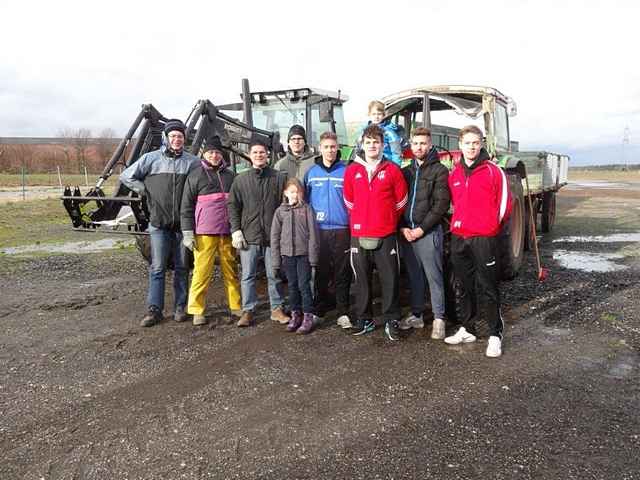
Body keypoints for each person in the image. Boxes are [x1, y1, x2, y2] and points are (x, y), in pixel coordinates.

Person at [120, 119, 199, 327]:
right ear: (166, 137)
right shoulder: (151, 159)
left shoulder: (192, 162)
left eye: (180, 136)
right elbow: (126, 176)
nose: (176, 139)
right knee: (157, 267)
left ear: (184, 139)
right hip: (158, 223)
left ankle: (180, 307)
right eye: (173, 136)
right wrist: (144, 190)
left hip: (183, 224)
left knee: (182, 267)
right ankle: (154, 310)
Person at [444, 125, 512, 357]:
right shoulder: (454, 174)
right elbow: (455, 204)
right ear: (460, 145)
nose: (472, 147)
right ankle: (467, 327)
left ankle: (495, 334)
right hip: (460, 237)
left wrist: (490, 227)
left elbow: (505, 205)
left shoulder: (493, 171)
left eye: (476, 142)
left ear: (481, 144)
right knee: (463, 285)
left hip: (484, 238)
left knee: (488, 286)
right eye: (467, 143)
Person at [343, 124, 408, 341]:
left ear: (383, 145)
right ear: (362, 144)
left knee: (389, 278)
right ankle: (365, 319)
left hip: (386, 234)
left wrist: (386, 219)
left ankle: (391, 319)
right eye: (368, 142)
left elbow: (401, 202)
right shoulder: (352, 170)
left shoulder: (392, 170)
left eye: (376, 142)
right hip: (359, 234)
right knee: (361, 279)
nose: (372, 146)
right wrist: (363, 220)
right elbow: (349, 201)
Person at [227, 140, 289, 327]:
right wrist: (236, 230)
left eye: (262, 152)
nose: (259, 155)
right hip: (249, 236)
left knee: (274, 273)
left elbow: (285, 205)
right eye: (255, 152)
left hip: (272, 236)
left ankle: (277, 308)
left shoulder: (278, 178)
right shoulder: (240, 180)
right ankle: (248, 310)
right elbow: (233, 206)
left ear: (267, 155)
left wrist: (283, 230)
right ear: (250, 155)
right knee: (248, 275)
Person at [180, 136, 241, 326]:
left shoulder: (231, 176)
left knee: (231, 271)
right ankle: (197, 310)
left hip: (227, 232)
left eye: (217, 152)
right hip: (204, 233)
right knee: (201, 272)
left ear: (222, 154)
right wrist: (187, 232)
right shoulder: (195, 175)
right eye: (210, 152)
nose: (214, 155)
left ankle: (236, 305)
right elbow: (186, 207)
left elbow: (238, 204)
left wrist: (238, 230)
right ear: (204, 154)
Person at [398, 127, 450, 339]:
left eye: (423, 143)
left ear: (430, 145)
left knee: (433, 276)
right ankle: (417, 315)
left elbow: (441, 205)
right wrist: (403, 227)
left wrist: (421, 229)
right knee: (414, 276)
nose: (419, 147)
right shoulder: (406, 171)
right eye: (416, 143)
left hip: (427, 232)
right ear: (411, 146)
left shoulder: (439, 171)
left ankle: (439, 318)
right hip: (407, 233)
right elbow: (399, 202)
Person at [303, 131, 352, 327]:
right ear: (320, 148)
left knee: (342, 272)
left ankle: (343, 312)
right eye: (326, 147)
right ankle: (319, 310)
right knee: (321, 272)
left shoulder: (346, 171)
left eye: (333, 147)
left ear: (337, 148)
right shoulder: (311, 173)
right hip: (319, 230)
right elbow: (305, 201)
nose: (330, 150)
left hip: (342, 229)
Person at [270, 178, 320, 334]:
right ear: (285, 193)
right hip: (287, 255)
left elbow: (313, 235)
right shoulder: (280, 211)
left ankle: (308, 316)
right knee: (292, 286)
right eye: (291, 191)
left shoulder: (307, 210)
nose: (294, 195)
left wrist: (313, 258)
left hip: (303, 254)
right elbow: (275, 237)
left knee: (304, 286)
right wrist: (276, 261)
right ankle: (295, 314)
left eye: (297, 192)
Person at [356, 100, 403, 166]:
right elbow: (358, 149)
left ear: (384, 115)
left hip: (386, 165)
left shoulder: (389, 132)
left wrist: (396, 168)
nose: (376, 117)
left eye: (379, 114)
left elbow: (396, 153)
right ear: (369, 115)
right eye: (374, 114)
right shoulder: (363, 132)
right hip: (368, 165)